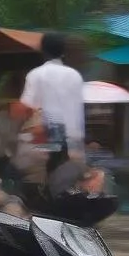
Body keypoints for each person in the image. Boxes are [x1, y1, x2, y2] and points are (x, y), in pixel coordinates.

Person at [19, 31, 86, 164]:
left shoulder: (36, 74)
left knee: (20, 158)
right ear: (63, 52)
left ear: (43, 51)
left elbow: (27, 106)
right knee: (69, 180)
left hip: (49, 145)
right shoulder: (75, 75)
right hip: (74, 144)